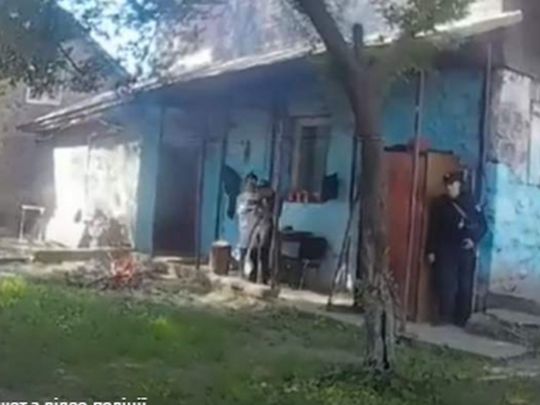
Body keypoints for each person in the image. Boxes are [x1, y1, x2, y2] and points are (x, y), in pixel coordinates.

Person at [427, 171, 487, 326]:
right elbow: (433, 228)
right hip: (446, 248)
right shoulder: (440, 204)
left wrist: (473, 240)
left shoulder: (471, 203)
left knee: (464, 285)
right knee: (446, 283)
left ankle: (462, 318)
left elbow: (483, 226)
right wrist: (431, 250)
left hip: (464, 249)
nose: (449, 188)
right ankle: (444, 315)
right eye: (447, 185)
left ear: (459, 185)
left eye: (452, 184)